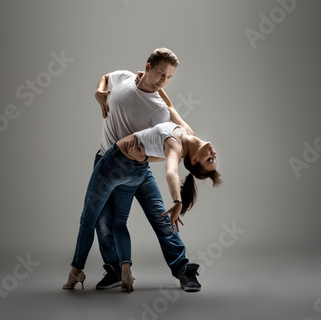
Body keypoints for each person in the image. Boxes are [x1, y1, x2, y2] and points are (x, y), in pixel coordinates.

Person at [64, 48, 204, 292]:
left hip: (137, 168)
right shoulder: (125, 77)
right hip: (102, 160)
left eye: (169, 77)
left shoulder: (159, 110)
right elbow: (107, 77)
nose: (164, 81)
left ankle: (183, 269)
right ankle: (116, 269)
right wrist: (99, 91)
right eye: (161, 73)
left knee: (162, 219)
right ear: (147, 67)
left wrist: (144, 157)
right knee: (102, 222)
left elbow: (172, 145)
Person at [63, 121, 222, 292]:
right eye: (213, 159)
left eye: (209, 159)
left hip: (120, 162)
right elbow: (169, 109)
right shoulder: (187, 132)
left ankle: (76, 271)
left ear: (194, 159)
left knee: (89, 220)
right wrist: (144, 157)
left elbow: (171, 172)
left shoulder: (177, 147)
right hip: (135, 166)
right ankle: (122, 272)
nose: (213, 153)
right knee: (117, 222)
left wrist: (177, 201)